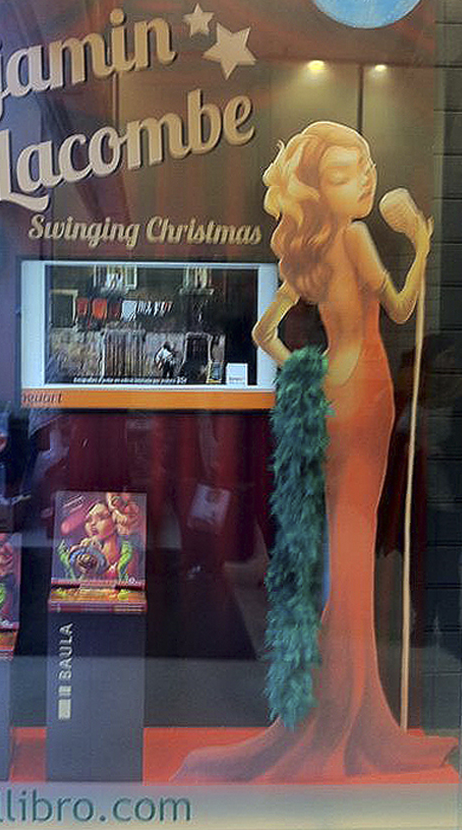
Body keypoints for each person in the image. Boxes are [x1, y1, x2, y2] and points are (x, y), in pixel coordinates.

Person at [176, 122, 457, 781]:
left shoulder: (312, 249)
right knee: (351, 556)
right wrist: (421, 245)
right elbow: (400, 307)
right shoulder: (354, 236)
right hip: (366, 393)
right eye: (341, 175)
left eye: (362, 167)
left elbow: (263, 332)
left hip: (334, 389)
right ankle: (344, 717)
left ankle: (347, 712)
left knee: (345, 552)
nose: (361, 181)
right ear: (318, 191)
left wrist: (306, 369)